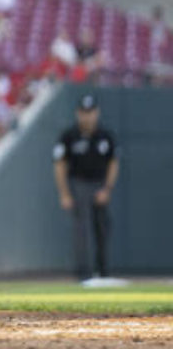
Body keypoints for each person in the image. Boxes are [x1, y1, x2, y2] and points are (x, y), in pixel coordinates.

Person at [53, 94, 120, 280]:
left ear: (97, 113)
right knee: (81, 229)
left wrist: (107, 189)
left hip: (99, 184)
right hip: (78, 183)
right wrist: (64, 193)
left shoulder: (105, 136)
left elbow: (113, 163)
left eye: (90, 112)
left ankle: (103, 271)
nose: (87, 117)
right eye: (84, 112)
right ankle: (83, 273)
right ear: (78, 113)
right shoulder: (69, 136)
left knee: (102, 228)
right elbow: (59, 165)